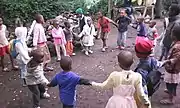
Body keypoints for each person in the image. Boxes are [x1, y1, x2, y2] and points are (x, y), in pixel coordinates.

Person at [134, 37, 168, 107]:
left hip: (145, 91)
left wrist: (144, 100)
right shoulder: (152, 60)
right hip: (151, 85)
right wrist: (166, 61)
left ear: (139, 54)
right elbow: (159, 64)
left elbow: (142, 87)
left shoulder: (141, 70)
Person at [160, 25, 180, 105]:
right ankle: (170, 91)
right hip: (172, 68)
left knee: (171, 83)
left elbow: (177, 58)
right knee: (171, 82)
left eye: (171, 33)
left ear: (174, 36)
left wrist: (168, 61)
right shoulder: (175, 43)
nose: (170, 35)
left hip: (173, 69)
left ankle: (171, 99)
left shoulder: (178, 46)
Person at [15, 20, 31, 86]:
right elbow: (22, 52)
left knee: (25, 69)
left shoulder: (21, 40)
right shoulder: (18, 43)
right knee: (23, 69)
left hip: (23, 57)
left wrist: (30, 50)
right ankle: (25, 82)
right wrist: (28, 58)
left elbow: (25, 48)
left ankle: (26, 80)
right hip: (21, 58)